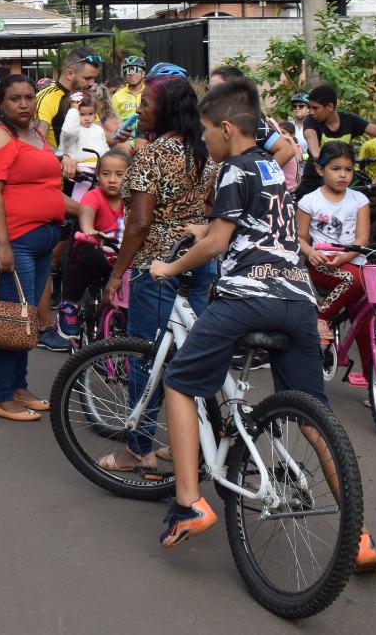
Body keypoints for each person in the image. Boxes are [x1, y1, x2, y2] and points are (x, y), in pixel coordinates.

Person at [143, 82, 347, 558]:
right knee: (316, 418)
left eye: (208, 131)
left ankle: (188, 504)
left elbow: (217, 245)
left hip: (248, 298)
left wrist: (169, 267)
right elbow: (251, 225)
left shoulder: (231, 168)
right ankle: (358, 535)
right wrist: (205, 227)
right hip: (298, 300)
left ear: (227, 128)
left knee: (179, 381)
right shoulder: (269, 166)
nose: (205, 139)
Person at [98, 74, 217, 473]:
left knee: (144, 358)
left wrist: (117, 275)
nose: (140, 109)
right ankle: (197, 443)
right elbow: (213, 207)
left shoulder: (151, 154)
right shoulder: (207, 151)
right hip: (199, 262)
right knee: (188, 356)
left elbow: (139, 222)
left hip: (158, 267)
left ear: (165, 110)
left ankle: (136, 448)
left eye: (146, 103)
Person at [0, 74, 70, 421]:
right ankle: (0, 396)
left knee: (24, 318)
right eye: (15, 98)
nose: (24, 104)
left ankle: (18, 386)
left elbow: (45, 188)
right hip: (12, 241)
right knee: (13, 319)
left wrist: (83, 208)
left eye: (30, 97)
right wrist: (2, 246)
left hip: (42, 239)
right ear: (1, 103)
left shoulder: (35, 135)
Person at [295, 142, 376, 392]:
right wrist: (310, 252)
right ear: (320, 170)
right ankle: (323, 316)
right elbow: (300, 238)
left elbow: (362, 239)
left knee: (368, 326)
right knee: (356, 280)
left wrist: (346, 256)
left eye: (349, 170)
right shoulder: (309, 200)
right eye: (336, 168)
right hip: (323, 265)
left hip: (353, 264)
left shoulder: (359, 199)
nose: (343, 175)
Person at [59, 148, 129, 342]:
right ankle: (70, 304)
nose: (112, 179)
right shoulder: (94, 196)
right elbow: (86, 212)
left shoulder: (133, 200)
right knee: (91, 254)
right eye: (106, 174)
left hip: (122, 261)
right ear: (98, 176)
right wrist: (89, 229)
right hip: (96, 253)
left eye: (119, 175)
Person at [293, 85, 376, 200]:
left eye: (315, 108)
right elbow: (310, 136)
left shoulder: (349, 120)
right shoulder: (311, 121)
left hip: (343, 177)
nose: (311, 112)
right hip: (315, 178)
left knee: (370, 194)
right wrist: (317, 155)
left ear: (330, 107)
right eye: (309, 108)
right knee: (300, 204)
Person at [33, 51, 101, 150]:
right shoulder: (46, 98)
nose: (92, 83)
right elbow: (36, 142)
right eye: (87, 78)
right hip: (60, 163)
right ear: (69, 74)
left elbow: (97, 131)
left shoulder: (84, 97)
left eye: (94, 78)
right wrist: (61, 156)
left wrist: (117, 136)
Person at [111, 57, 145, 123]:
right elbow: (113, 120)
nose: (131, 73)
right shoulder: (117, 96)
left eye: (135, 70)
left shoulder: (150, 93)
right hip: (125, 132)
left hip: (147, 132)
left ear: (143, 73)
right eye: (128, 70)